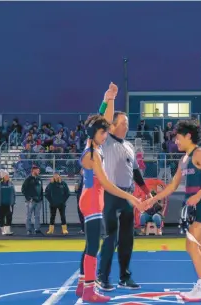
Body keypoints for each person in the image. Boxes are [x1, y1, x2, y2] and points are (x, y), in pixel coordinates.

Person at [76, 83, 144, 303]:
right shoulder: (94, 153)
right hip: (94, 198)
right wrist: (131, 197)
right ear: (95, 134)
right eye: (103, 132)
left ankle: (81, 285)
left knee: (91, 244)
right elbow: (106, 184)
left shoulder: (92, 145)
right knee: (95, 245)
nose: (105, 134)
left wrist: (109, 98)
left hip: (92, 197)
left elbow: (100, 121)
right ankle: (89, 290)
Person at [144, 120, 201, 301]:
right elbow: (172, 186)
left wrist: (199, 195)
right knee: (200, 247)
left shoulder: (199, 153)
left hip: (199, 205)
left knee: (191, 245)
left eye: (177, 138)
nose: (175, 141)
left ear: (188, 136)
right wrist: (153, 199)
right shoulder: (184, 159)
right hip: (190, 205)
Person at [96, 110, 152, 292]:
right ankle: (102, 277)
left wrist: (147, 193)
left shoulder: (129, 145)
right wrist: (109, 98)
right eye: (123, 123)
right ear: (112, 126)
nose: (126, 127)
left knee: (127, 239)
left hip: (128, 197)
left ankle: (124, 276)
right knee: (111, 237)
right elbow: (102, 118)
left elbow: (135, 172)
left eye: (127, 124)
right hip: (111, 195)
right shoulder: (106, 141)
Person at [0, 169, 16, 236]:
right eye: (7, 175)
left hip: (9, 204)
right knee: (2, 217)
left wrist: (13, 201)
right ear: (3, 176)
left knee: (9, 217)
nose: (8, 176)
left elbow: (14, 192)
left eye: (8, 175)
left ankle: (8, 231)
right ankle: (3, 231)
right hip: (1, 204)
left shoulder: (11, 183)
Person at [21, 164, 44, 235]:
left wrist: (41, 198)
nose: (38, 171)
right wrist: (28, 198)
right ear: (33, 170)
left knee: (37, 216)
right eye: (37, 170)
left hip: (38, 201)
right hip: (30, 201)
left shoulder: (39, 179)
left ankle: (37, 229)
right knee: (29, 216)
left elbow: (41, 190)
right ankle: (29, 230)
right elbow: (23, 189)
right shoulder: (28, 179)